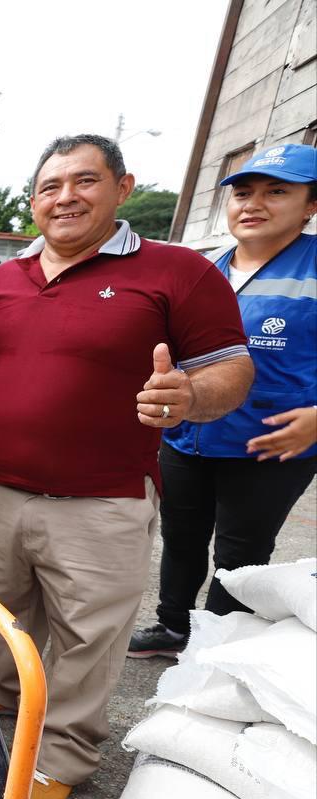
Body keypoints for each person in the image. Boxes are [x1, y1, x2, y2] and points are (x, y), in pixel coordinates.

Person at [0, 134, 254, 799]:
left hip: (101, 503)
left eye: (84, 180)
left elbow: (232, 371)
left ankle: (62, 755)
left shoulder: (177, 272)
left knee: (87, 641)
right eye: (49, 186)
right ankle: (4, 701)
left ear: (123, 187)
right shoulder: (2, 280)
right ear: (32, 201)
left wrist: (190, 396)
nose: (65, 196)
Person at [129, 143, 317, 658]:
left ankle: (217, 644)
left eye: (277, 191)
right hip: (188, 435)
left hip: (271, 443)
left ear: (310, 205)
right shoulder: (201, 269)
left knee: (241, 551)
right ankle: (173, 628)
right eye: (243, 192)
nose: (253, 203)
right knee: (181, 539)